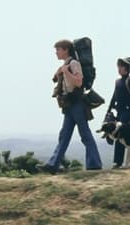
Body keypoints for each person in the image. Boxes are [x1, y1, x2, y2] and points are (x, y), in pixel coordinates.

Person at [38, 40, 102, 174]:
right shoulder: (66, 64)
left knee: (84, 133)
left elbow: (79, 82)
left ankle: (94, 164)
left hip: (76, 103)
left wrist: (66, 72)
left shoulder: (73, 63)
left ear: (66, 49)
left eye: (58, 50)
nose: (56, 52)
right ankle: (53, 164)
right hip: (69, 104)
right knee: (65, 135)